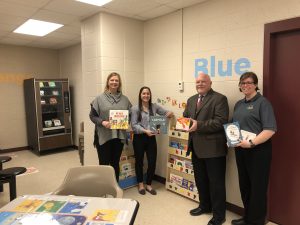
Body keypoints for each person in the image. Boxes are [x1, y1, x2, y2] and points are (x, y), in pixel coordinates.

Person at [183, 72, 229, 225]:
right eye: (197, 82)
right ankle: (204, 206)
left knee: (216, 184)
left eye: (203, 81)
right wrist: (182, 123)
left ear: (210, 83)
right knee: (201, 180)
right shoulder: (191, 100)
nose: (200, 84)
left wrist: (199, 125)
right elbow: (186, 117)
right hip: (196, 147)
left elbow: (221, 121)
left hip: (214, 149)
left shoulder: (220, 99)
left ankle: (219, 215)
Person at [231, 72, 277, 225]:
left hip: (258, 152)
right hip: (241, 150)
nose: (245, 85)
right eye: (243, 83)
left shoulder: (263, 103)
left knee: (257, 188)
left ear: (256, 84)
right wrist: (231, 139)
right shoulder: (239, 104)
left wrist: (251, 143)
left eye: (249, 82)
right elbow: (234, 127)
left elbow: (270, 130)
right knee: (245, 186)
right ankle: (248, 217)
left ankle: (256, 221)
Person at [89, 72, 132, 181]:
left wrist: (126, 121)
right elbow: (92, 116)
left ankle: (114, 187)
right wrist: (102, 122)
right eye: (112, 80)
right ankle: (104, 189)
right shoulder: (99, 98)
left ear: (119, 83)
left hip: (118, 137)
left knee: (115, 163)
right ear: (108, 82)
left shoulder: (125, 99)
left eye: (116, 80)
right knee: (104, 164)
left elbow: (130, 114)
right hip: (104, 136)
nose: (114, 82)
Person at [131, 86, 173, 195]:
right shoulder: (135, 108)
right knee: (139, 162)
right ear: (140, 95)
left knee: (152, 161)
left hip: (151, 138)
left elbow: (165, 113)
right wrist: (145, 131)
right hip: (139, 137)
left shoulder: (154, 107)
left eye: (148, 94)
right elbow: (134, 125)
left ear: (150, 95)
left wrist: (169, 113)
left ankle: (149, 184)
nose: (146, 95)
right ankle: (140, 184)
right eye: (144, 93)